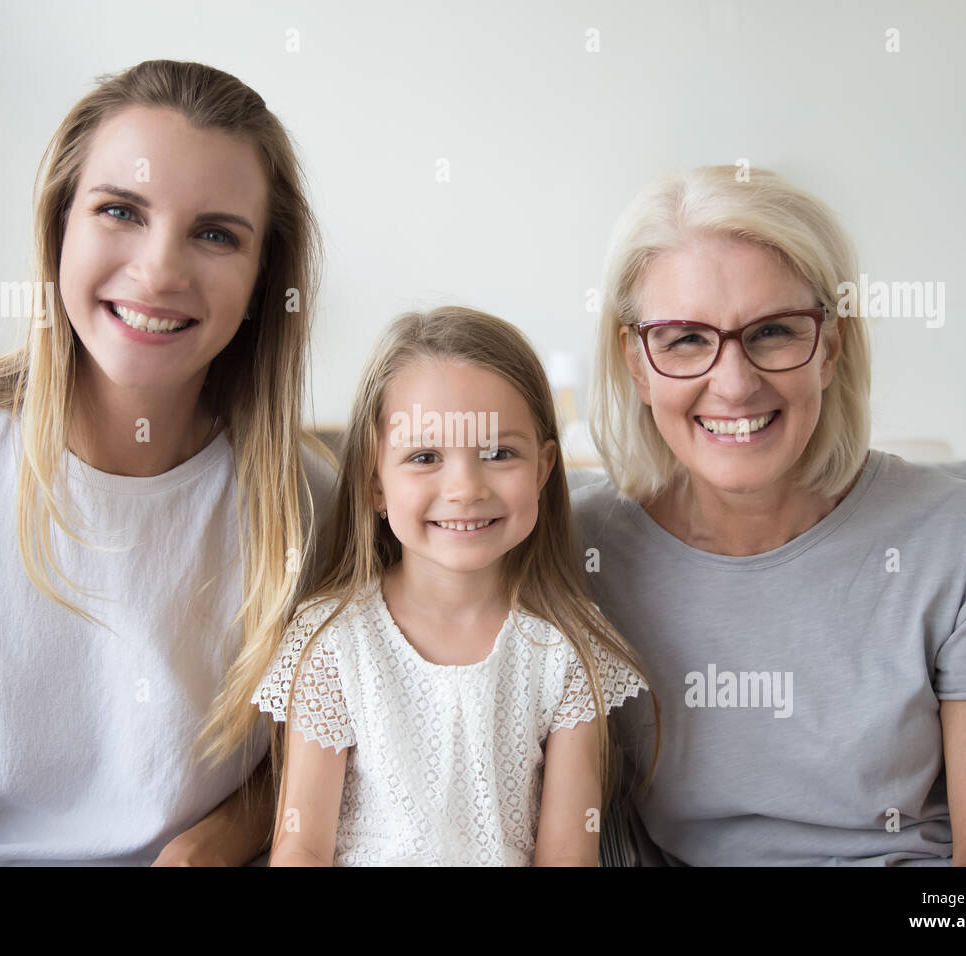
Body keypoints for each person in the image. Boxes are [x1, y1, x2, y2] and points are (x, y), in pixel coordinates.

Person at [0, 60, 335, 865]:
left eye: (216, 233)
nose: (159, 271)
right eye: (121, 211)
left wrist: (212, 845)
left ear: (263, 282)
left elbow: (311, 756)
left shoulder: (307, 501)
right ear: (59, 231)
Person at [574, 166, 966, 866]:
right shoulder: (578, 550)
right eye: (686, 339)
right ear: (637, 361)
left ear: (831, 347)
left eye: (775, 331)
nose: (734, 383)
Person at [237, 307, 659, 865]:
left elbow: (567, 853)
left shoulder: (568, 649)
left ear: (542, 469)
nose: (463, 488)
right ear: (374, 482)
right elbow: (301, 844)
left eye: (498, 453)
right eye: (425, 456)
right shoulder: (333, 641)